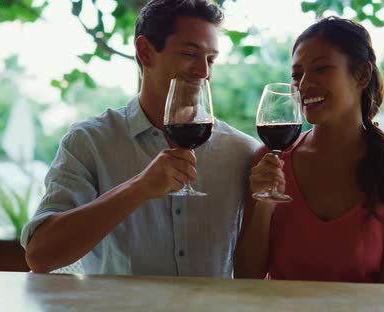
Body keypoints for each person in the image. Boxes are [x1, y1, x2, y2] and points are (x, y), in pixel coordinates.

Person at [21, 0, 259, 276]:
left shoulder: (244, 151)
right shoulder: (89, 141)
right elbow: (40, 256)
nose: (204, 72)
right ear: (145, 52)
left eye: (211, 59)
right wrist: (138, 188)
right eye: (189, 54)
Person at [234, 17, 384, 284]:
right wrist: (264, 205)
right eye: (296, 74)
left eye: (321, 69)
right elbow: (246, 277)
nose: (303, 85)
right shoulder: (269, 160)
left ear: (362, 74)